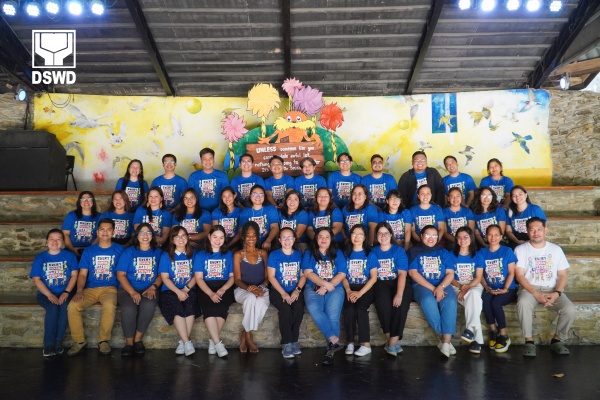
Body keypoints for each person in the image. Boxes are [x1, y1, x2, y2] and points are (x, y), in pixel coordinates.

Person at [514, 217, 576, 357]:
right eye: (532, 230)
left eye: (539, 229)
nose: (536, 233)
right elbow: (520, 276)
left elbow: (562, 275)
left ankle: (557, 340)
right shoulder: (521, 249)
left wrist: (556, 293)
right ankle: (529, 341)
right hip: (529, 289)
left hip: (552, 288)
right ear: (527, 231)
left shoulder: (555, 249)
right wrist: (536, 294)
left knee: (570, 309)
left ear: (545, 230)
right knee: (523, 303)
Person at [67, 218, 124, 356]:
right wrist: (79, 290)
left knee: (110, 306)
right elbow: (82, 274)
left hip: (110, 288)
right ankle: (79, 341)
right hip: (90, 289)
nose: (105, 232)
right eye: (102, 229)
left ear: (113, 232)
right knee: (72, 307)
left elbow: (124, 273)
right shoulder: (89, 251)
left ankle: (103, 340)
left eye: (109, 229)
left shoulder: (120, 250)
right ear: (97, 232)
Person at [408, 225, 457, 357]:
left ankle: (446, 342)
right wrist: (434, 289)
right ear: (421, 236)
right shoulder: (414, 251)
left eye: (434, 235)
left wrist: (440, 287)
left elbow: (450, 273)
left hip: (443, 284)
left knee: (451, 301)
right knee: (428, 300)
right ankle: (444, 338)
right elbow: (413, 274)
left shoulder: (443, 252)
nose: (431, 238)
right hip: (422, 285)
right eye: (428, 235)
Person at [116, 223, 163, 357]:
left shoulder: (158, 252)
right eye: (142, 233)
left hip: (150, 288)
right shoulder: (129, 251)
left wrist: (153, 287)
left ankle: (138, 339)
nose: (145, 236)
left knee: (148, 305)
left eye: (148, 233)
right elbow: (121, 275)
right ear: (137, 236)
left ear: (152, 236)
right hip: (127, 289)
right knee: (129, 308)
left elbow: (161, 275)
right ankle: (129, 342)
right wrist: (132, 292)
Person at [30, 229, 79, 357]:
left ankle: (58, 342)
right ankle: (48, 344)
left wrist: (66, 292)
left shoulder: (69, 256)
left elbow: (74, 275)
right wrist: (49, 295)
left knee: (64, 307)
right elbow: (36, 279)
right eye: (52, 238)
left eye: (58, 239)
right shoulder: (40, 258)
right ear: (47, 242)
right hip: (45, 294)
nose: (55, 241)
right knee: (52, 308)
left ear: (62, 242)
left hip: (66, 293)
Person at [302, 227, 347, 365]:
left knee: (333, 316)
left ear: (331, 239)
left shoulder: (337, 253)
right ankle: (333, 339)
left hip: (335, 288)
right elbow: (308, 273)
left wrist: (328, 286)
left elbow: (342, 273)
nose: (323, 239)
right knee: (314, 308)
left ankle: (330, 352)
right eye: (320, 236)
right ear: (316, 238)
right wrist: (323, 284)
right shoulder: (310, 253)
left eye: (327, 236)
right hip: (313, 288)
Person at [158, 226, 200, 356]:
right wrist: (178, 292)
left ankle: (183, 342)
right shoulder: (166, 256)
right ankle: (187, 342)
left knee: (190, 304)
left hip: (189, 288)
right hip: (170, 290)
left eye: (183, 236)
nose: (180, 239)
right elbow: (165, 278)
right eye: (177, 236)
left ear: (187, 237)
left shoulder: (194, 254)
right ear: (172, 239)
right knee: (175, 306)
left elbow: (197, 276)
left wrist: (186, 289)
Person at [194, 225, 236, 358]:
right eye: (215, 237)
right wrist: (210, 293)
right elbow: (199, 278)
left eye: (221, 237)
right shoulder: (201, 255)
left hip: (224, 286)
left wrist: (223, 289)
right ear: (209, 237)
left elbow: (232, 277)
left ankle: (213, 340)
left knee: (222, 308)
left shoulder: (228, 254)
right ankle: (218, 343)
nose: (218, 240)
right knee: (210, 308)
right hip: (206, 286)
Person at [371, 222, 411, 356]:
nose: (383, 236)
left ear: (391, 235)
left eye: (386, 233)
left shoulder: (398, 250)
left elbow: (402, 274)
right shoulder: (372, 252)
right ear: (376, 236)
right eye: (380, 233)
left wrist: (399, 294)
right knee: (383, 305)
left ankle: (391, 344)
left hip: (397, 281)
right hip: (380, 283)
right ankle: (393, 343)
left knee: (401, 304)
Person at [267, 227, 306, 358]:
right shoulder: (274, 255)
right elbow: (271, 277)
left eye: (290, 237)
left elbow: (303, 275)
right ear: (279, 240)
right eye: (284, 237)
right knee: (285, 309)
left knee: (299, 308)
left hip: (295, 290)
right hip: (278, 291)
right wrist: (283, 293)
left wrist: (297, 290)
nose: (287, 240)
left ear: (294, 239)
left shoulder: (299, 255)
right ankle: (286, 343)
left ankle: (294, 341)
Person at [479, 224, 517, 353]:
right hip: (490, 288)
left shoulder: (507, 251)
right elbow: (480, 274)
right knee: (485, 300)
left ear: (501, 236)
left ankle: (503, 335)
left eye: (496, 234)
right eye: (490, 234)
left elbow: (512, 272)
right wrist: (486, 287)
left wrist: (505, 288)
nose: (493, 237)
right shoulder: (482, 253)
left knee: (496, 303)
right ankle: (493, 331)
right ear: (486, 236)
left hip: (508, 289)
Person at [233, 221, 270, 353]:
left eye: (254, 235)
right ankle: (249, 337)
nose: (251, 238)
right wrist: (250, 289)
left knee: (261, 302)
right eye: (248, 235)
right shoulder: (238, 255)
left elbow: (268, 277)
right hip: (242, 289)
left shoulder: (263, 254)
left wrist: (261, 287)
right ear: (243, 237)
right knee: (250, 299)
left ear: (257, 236)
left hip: (262, 288)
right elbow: (237, 279)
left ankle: (245, 332)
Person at [342, 224, 378, 357]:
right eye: (354, 234)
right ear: (350, 236)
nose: (357, 237)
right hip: (349, 287)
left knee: (360, 309)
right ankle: (350, 342)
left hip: (365, 288)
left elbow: (374, 278)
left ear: (365, 237)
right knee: (349, 309)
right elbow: (342, 275)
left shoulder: (370, 254)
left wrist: (359, 293)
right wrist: (348, 291)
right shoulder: (345, 254)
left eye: (360, 234)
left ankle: (366, 344)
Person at [449, 226, 484, 354]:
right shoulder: (451, 255)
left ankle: (470, 328)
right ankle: (476, 339)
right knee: (474, 301)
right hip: (456, 285)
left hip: (473, 284)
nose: (462, 240)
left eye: (465, 237)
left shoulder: (478, 255)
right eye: (459, 237)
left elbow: (478, 277)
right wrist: (460, 287)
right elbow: (450, 276)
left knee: (474, 294)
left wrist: (467, 288)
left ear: (471, 238)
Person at [188, 147, 230, 212]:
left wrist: (219, 209)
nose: (208, 161)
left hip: (219, 210)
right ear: (201, 161)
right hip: (199, 211)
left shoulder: (222, 175)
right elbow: (190, 195)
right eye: (205, 159)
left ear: (214, 160)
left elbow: (227, 194)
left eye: (210, 158)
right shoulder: (193, 176)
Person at [239, 185, 279, 251]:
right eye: (255, 194)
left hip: (268, 242)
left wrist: (268, 241)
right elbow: (241, 230)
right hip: (250, 242)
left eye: (261, 194)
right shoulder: (245, 212)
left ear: (264, 196)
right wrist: (246, 242)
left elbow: (274, 227)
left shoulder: (271, 209)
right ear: (250, 196)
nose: (258, 197)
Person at [62, 191, 100, 256]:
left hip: (92, 250)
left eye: (89, 199)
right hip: (72, 248)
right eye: (83, 199)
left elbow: (100, 235)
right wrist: (72, 250)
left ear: (93, 202)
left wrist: (89, 250)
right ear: (79, 202)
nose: (86, 201)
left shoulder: (99, 216)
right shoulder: (71, 215)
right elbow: (65, 234)